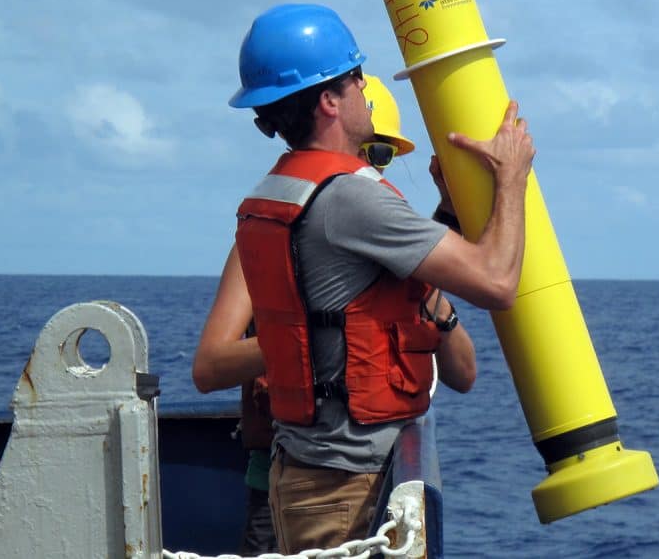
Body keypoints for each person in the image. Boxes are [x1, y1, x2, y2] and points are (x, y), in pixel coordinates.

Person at [223, 3, 534, 552]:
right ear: (328, 101)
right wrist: (511, 177)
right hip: (343, 486)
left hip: (301, 469)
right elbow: (497, 283)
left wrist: (445, 215)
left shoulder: (280, 192)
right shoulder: (352, 198)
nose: (366, 90)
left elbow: (362, 294)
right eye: (355, 79)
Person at [191, 74, 468, 554]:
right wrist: (308, 335)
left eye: (382, 157)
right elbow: (210, 365)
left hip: (366, 479)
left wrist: (441, 230)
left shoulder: (384, 260)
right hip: (292, 478)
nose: (368, 171)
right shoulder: (273, 238)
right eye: (366, 153)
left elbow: (463, 371)